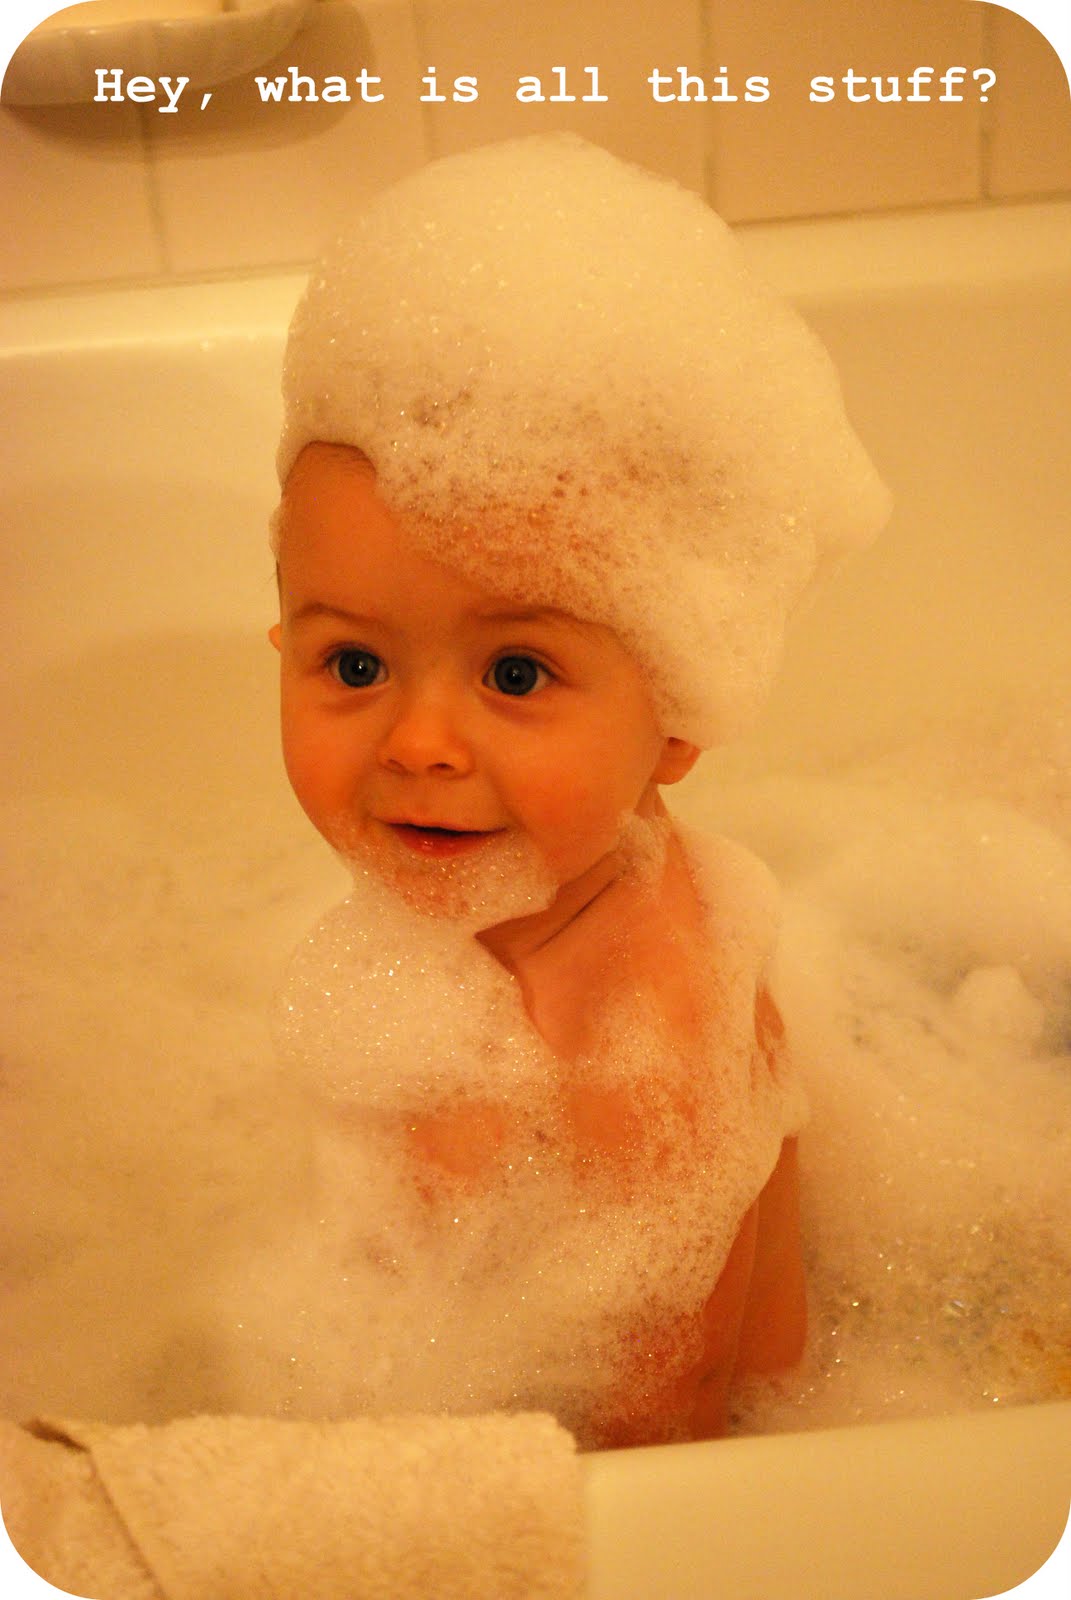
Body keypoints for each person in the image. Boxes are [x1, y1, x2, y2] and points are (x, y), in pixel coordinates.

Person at [267, 134, 891, 1448]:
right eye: (354, 663)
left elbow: (666, 1418)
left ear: (678, 719)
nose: (417, 743)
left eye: (517, 672)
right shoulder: (454, 927)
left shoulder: (649, 1036)